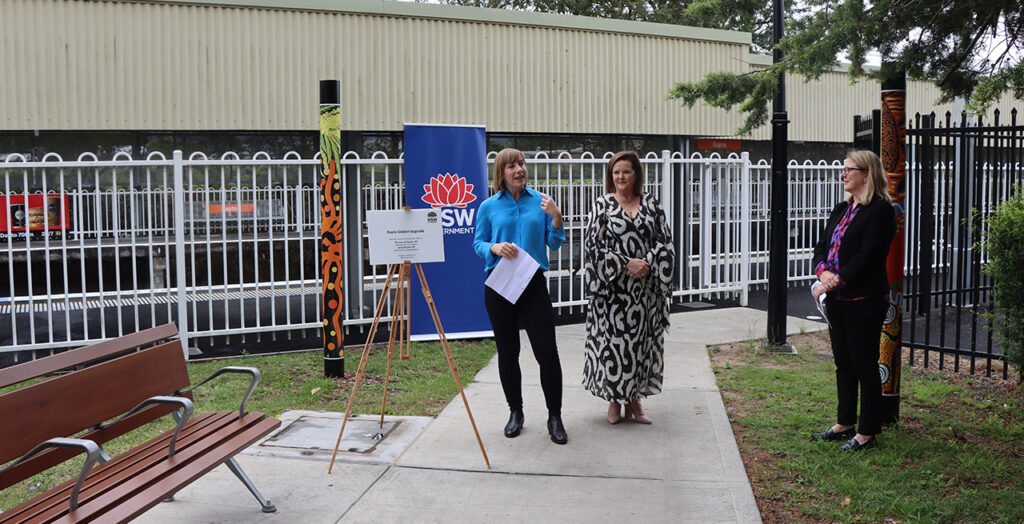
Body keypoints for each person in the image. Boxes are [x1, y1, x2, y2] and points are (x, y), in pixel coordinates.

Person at [473, 148, 569, 445]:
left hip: (532, 283)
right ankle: (516, 412)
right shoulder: (488, 206)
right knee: (508, 352)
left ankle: (555, 416)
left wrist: (556, 218)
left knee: (547, 352)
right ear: (502, 172)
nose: (519, 170)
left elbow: (554, 244)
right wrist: (494, 248)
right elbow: (478, 242)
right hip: (499, 285)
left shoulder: (541, 202)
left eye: (522, 164)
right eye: (512, 166)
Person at [582, 150, 675, 425]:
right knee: (614, 347)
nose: (621, 177)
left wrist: (646, 262)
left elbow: (665, 242)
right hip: (612, 293)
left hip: (644, 292)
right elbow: (592, 247)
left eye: (626, 171)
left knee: (641, 345)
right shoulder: (602, 205)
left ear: (636, 175)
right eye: (616, 172)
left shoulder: (652, 204)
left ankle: (635, 401)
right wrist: (625, 263)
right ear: (611, 177)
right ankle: (614, 401)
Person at [810, 149, 895, 451]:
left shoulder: (882, 211)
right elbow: (821, 247)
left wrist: (836, 279)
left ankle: (867, 432)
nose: (843, 174)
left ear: (866, 173)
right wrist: (823, 273)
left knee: (863, 364)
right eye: (843, 169)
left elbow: (869, 256)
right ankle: (845, 421)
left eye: (849, 169)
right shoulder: (841, 208)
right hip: (837, 299)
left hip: (864, 299)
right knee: (843, 362)